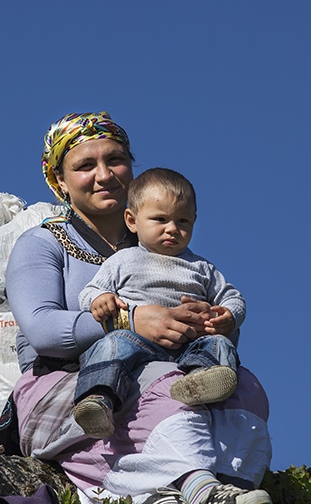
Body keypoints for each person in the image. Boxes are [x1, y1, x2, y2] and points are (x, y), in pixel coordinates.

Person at [2, 112, 272, 504]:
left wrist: (208, 322)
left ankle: (232, 484)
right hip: (69, 385)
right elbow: (42, 330)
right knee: (163, 382)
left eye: (115, 160)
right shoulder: (43, 243)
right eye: (84, 165)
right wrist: (131, 321)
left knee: (244, 386)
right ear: (59, 179)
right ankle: (197, 487)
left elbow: (223, 312)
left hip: (166, 365)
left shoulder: (164, 244)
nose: (104, 174)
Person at [73, 167, 244, 439]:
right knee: (112, 344)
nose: (172, 229)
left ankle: (200, 382)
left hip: (191, 343)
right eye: (160, 219)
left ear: (194, 221)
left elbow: (232, 297)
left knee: (220, 344)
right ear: (132, 220)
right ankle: (98, 400)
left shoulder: (201, 267)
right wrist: (100, 299)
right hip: (137, 339)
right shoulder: (122, 260)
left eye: (183, 221)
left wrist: (228, 316)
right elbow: (89, 293)